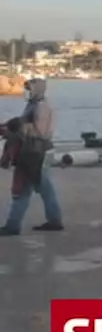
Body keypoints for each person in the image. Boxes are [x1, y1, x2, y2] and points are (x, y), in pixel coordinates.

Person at [0, 78, 63, 235]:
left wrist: (16, 128)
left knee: (27, 189)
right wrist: (9, 126)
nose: (26, 91)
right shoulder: (33, 105)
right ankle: (53, 221)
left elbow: (40, 132)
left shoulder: (41, 107)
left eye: (29, 88)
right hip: (32, 152)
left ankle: (13, 225)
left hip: (35, 153)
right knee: (40, 189)